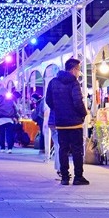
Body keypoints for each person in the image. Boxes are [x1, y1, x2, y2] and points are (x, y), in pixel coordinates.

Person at [45, 57, 89, 186]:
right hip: (74, 122)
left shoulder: (53, 82)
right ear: (73, 69)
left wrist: (58, 109)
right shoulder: (74, 82)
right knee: (77, 150)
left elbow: (48, 100)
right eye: (78, 70)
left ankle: (65, 177)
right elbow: (77, 102)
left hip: (61, 122)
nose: (79, 73)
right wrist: (83, 114)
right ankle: (78, 177)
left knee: (63, 149)